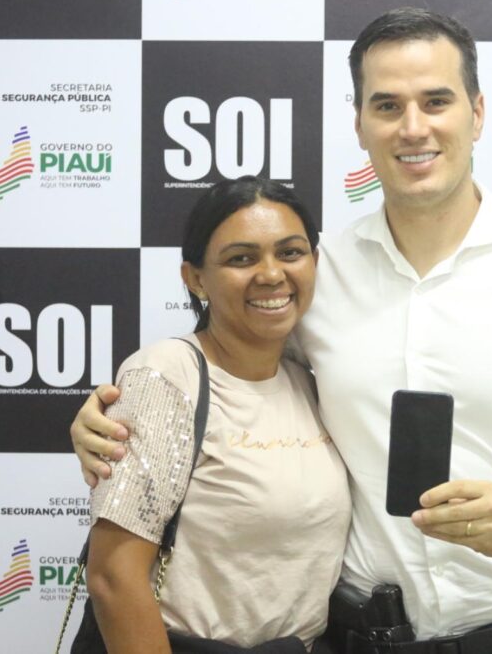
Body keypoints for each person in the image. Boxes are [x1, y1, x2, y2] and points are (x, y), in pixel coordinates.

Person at [73, 8, 492, 653]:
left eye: (435, 101)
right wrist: (113, 419)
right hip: (356, 638)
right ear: (359, 125)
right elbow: (222, 375)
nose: (413, 127)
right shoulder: (311, 275)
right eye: (387, 106)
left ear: (477, 112)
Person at [82, 176, 350, 653]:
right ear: (195, 278)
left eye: (290, 252)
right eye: (241, 258)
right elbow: (112, 576)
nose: (271, 274)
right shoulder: (167, 375)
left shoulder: (310, 380)